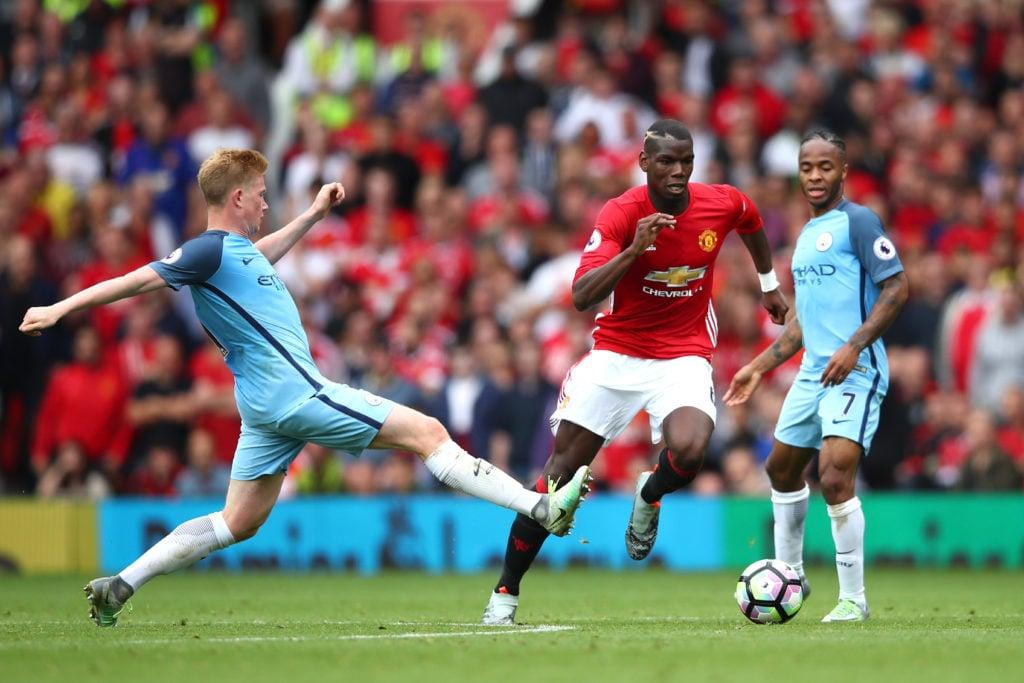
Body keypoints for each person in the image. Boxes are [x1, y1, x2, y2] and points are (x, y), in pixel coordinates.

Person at [20, 148, 591, 628]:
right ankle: (540, 506)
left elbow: (263, 256)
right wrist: (60, 307)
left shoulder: (235, 254)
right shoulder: (206, 249)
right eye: (261, 193)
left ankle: (122, 583)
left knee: (236, 521)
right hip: (296, 394)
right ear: (237, 196)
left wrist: (314, 214)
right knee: (428, 432)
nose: (267, 203)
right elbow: (136, 279)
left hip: (263, 408)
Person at [481, 119, 789, 625]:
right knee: (558, 478)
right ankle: (505, 593)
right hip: (618, 352)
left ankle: (649, 494)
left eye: (686, 161)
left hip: (683, 352)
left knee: (690, 449)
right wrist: (633, 250)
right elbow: (581, 296)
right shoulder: (622, 213)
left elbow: (751, 219)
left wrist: (768, 283)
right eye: (667, 161)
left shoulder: (719, 202)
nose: (678, 171)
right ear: (644, 163)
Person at [724, 130, 909, 623]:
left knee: (833, 473)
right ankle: (791, 574)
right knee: (781, 469)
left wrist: (855, 346)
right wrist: (758, 368)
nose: (815, 176)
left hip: (856, 370)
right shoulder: (805, 237)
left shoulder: (860, 222)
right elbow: (804, 323)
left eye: (825, 167)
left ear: (843, 171)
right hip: (813, 372)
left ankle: (853, 599)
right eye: (807, 168)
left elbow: (897, 287)